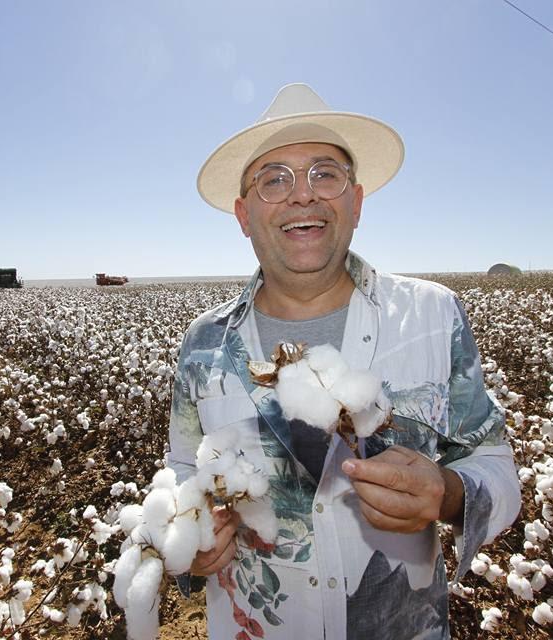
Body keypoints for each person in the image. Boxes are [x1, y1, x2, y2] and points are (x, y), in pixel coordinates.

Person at [166, 83, 521, 640]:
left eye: (324, 174)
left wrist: (447, 493)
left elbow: (493, 462)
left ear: (355, 202)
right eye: (273, 179)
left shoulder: (432, 315)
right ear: (243, 214)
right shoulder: (204, 343)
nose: (301, 196)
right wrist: (188, 536)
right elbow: (185, 470)